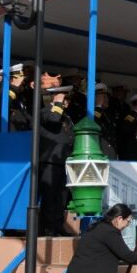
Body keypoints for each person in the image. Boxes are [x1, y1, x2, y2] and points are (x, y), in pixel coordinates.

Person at [39, 85, 75, 236]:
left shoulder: (65, 116)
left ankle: (58, 226)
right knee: (50, 196)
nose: (67, 102)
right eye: (64, 98)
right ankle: (48, 228)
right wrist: (58, 102)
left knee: (62, 197)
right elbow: (53, 119)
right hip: (49, 162)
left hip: (63, 161)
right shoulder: (45, 112)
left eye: (66, 99)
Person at [93, 83, 118, 159]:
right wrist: (98, 105)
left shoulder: (108, 115)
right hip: (99, 155)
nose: (107, 99)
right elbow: (93, 123)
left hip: (111, 154)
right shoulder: (91, 112)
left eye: (107, 97)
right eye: (103, 97)